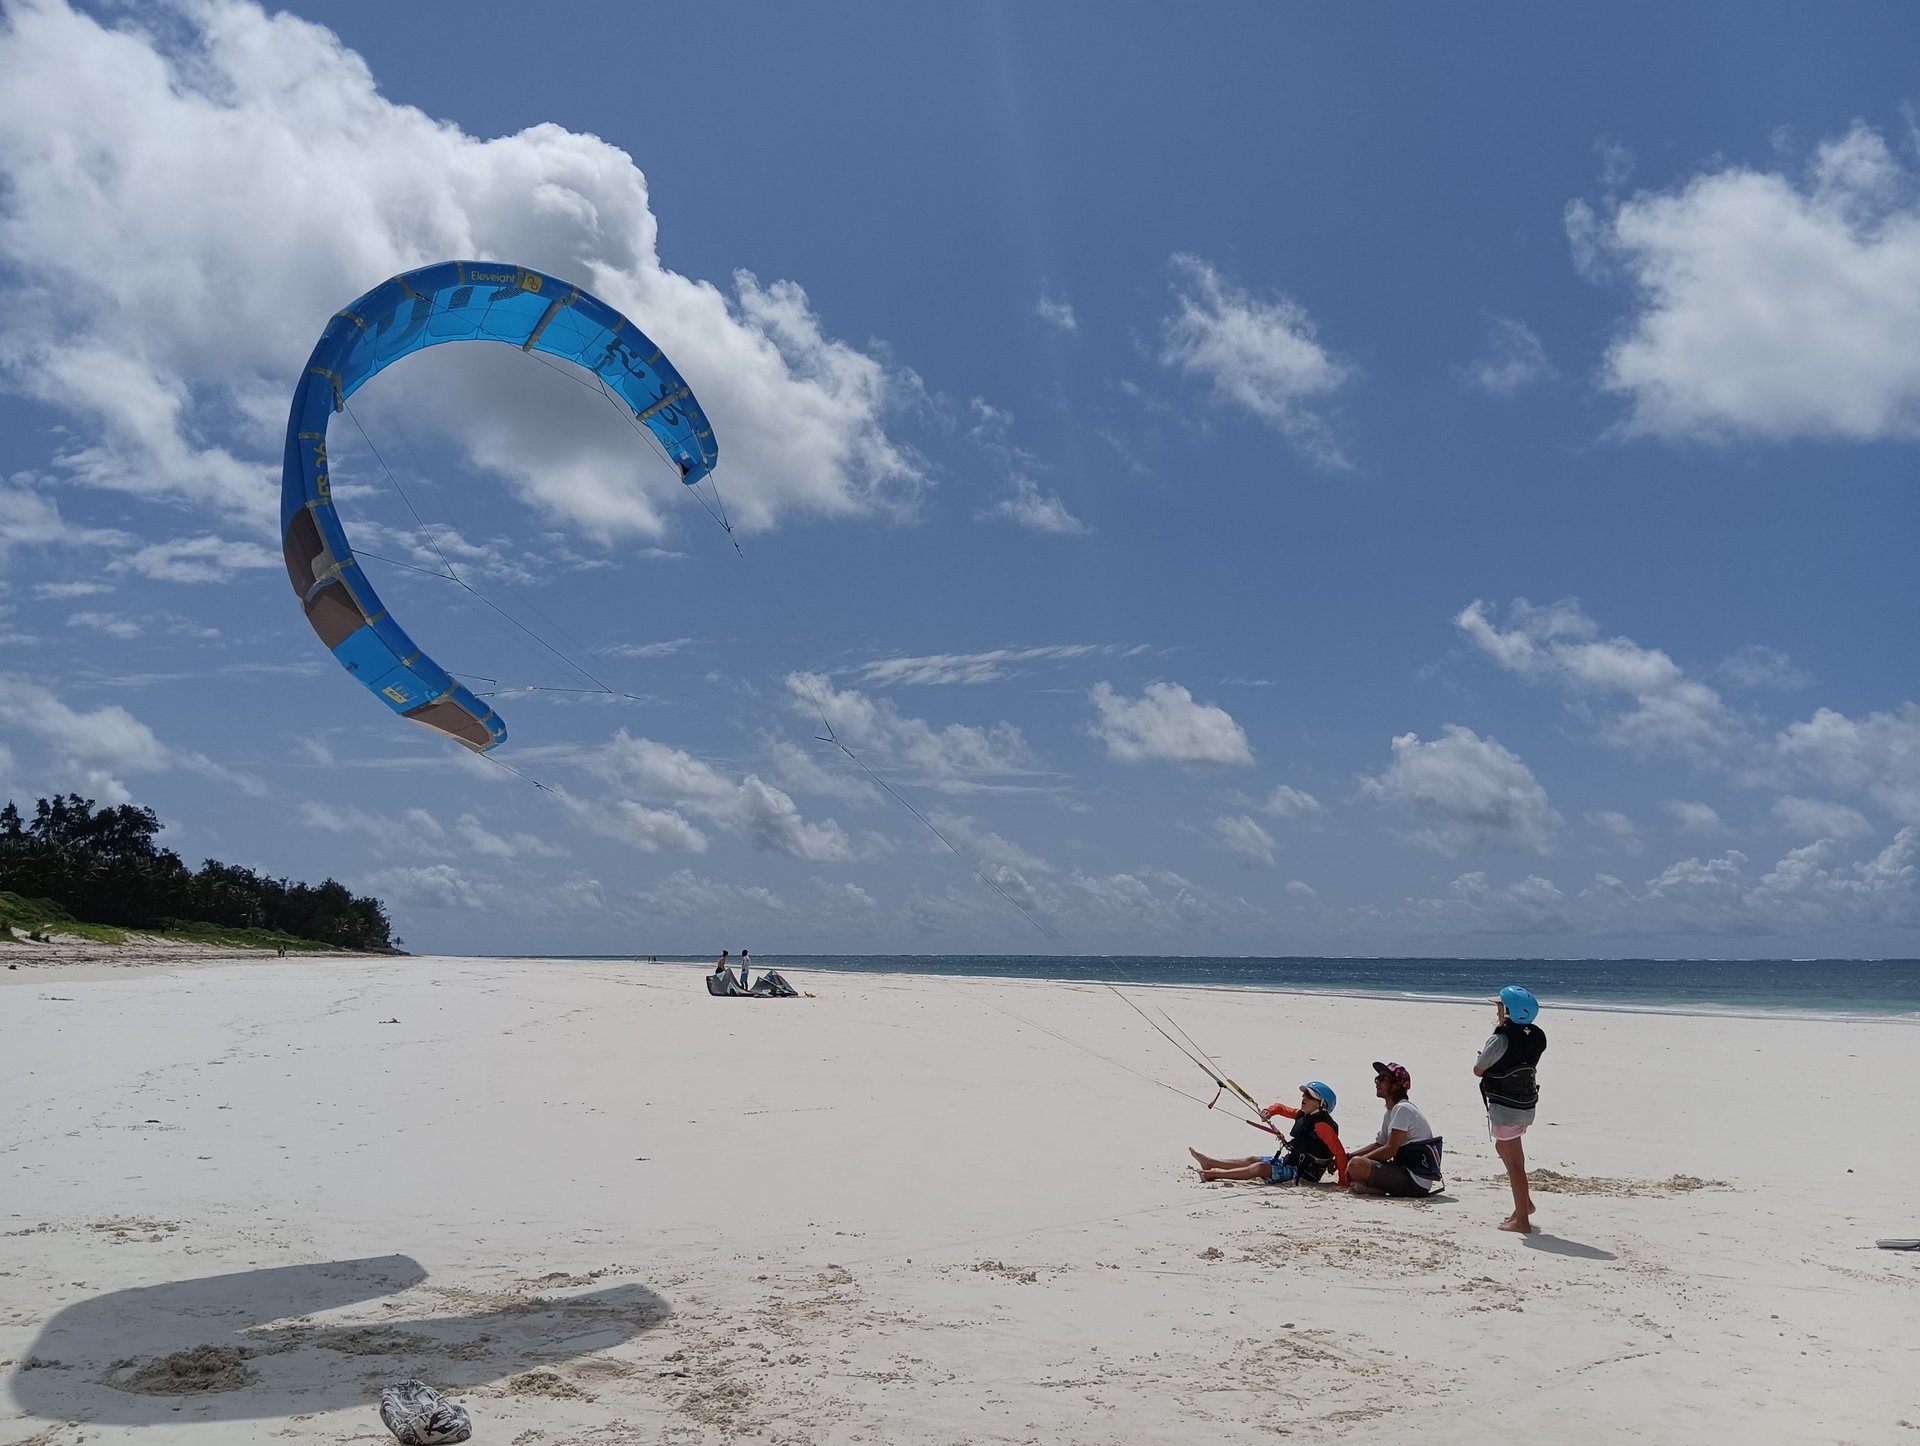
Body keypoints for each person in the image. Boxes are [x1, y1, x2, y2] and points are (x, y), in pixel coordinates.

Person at [1476, 985, 1546, 1233]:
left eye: (1499, 1006)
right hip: (1526, 1104)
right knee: (1505, 1149)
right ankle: (1524, 1203)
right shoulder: (1538, 1036)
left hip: (1505, 1106)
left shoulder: (1500, 1039)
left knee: (1515, 1164)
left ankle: (1523, 1220)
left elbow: (1478, 1069)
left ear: (1507, 1011)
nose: (1497, 1011)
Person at [1188, 1082, 1348, 1186]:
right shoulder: (1304, 1115)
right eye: (1304, 1094)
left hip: (1303, 1174)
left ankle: (1214, 1174)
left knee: (1260, 1168)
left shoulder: (1323, 1126)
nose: (1303, 1097)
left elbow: (1339, 1153)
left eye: (1308, 1096)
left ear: (1322, 1105)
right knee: (1252, 1159)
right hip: (1291, 1162)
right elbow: (1281, 1108)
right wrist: (1268, 1111)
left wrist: (1343, 1182)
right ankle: (1210, 1163)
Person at [1345, 1061, 1443, 1197]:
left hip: (1414, 1180)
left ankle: (1375, 1190)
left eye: (1382, 1079)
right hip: (1403, 1172)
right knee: (1355, 1163)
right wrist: (1348, 1157)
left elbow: (1390, 1150)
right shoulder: (1391, 1111)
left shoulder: (1402, 1109)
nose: (1377, 1082)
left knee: (1356, 1166)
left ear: (1397, 1085)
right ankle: (1374, 1188)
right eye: (1377, 1078)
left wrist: (1355, 1162)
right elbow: (1378, 1145)